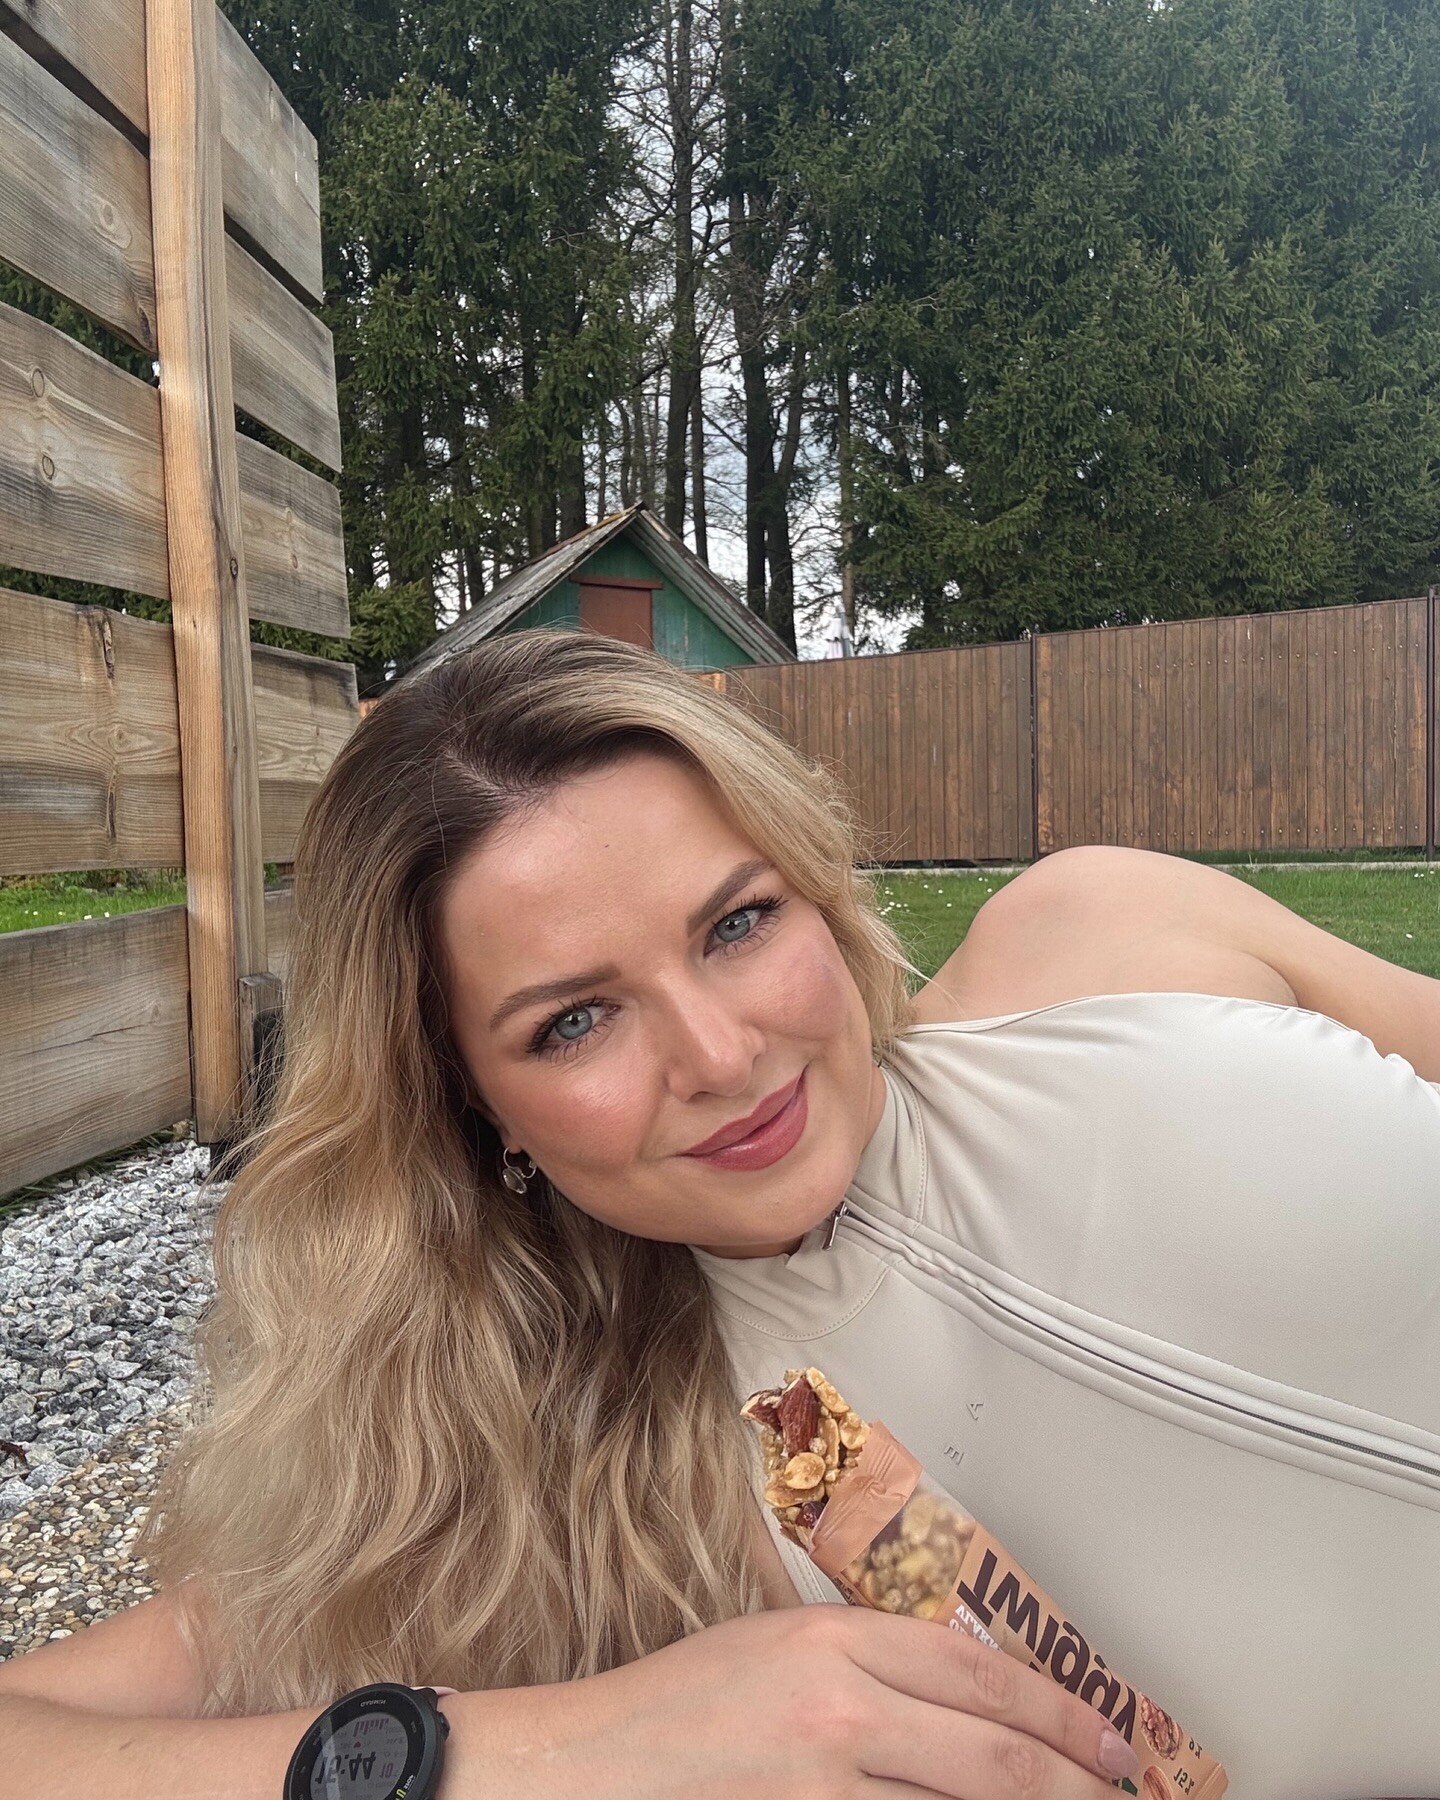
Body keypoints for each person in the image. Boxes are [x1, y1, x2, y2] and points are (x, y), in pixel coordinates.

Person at [1, 627, 1437, 1800]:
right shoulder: (564, 1493)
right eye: (573, 1022)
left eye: (738, 923)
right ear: (472, 1108)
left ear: (814, 889)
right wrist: (545, 1752)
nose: (720, 1054)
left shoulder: (1105, 942)